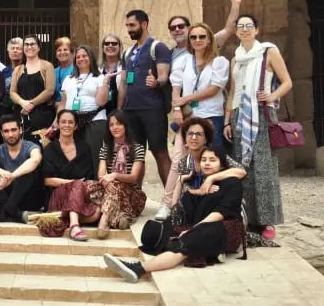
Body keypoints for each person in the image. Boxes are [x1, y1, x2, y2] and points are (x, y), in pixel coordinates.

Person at [103, 149, 244, 283]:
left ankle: (139, 269)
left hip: (224, 228)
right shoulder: (201, 183)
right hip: (204, 226)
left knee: (186, 242)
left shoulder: (233, 183)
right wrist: (186, 183)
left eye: (212, 160)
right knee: (156, 233)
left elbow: (220, 213)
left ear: (222, 165)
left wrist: (193, 229)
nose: (207, 163)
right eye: (204, 160)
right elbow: (176, 208)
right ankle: (206, 249)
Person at [225, 14, 292, 240]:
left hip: (261, 113)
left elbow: (287, 82)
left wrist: (271, 96)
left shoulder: (268, 52)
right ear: (236, 31)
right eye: (240, 26)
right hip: (239, 115)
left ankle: (267, 220)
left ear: (256, 30)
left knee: (264, 167)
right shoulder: (236, 59)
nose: (244, 29)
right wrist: (227, 120)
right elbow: (232, 92)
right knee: (243, 167)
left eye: (249, 26)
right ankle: (248, 218)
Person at [156, 118, 246, 222]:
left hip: (220, 209)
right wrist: (181, 180)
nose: (194, 137)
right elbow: (178, 203)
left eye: (199, 134)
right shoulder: (185, 162)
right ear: (185, 139)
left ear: (206, 139)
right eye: (190, 134)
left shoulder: (214, 155)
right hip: (197, 210)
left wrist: (211, 178)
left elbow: (241, 171)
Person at [118, 10, 172, 184]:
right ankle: (136, 197)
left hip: (153, 110)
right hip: (130, 111)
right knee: (136, 156)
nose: (129, 29)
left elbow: (164, 76)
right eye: (127, 26)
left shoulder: (158, 47)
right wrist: (119, 110)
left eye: (132, 25)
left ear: (144, 24)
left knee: (160, 152)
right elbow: (124, 83)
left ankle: (173, 197)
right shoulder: (127, 52)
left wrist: (156, 82)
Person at [41, 110, 99, 241]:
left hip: (81, 195)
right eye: (63, 122)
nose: (67, 125)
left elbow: (89, 178)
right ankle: (74, 226)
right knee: (77, 184)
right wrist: (71, 183)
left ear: (75, 126)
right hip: (58, 196)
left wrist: (77, 185)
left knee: (96, 214)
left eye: (70, 122)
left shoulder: (84, 147)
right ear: (58, 124)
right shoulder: (49, 149)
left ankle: (65, 217)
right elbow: (46, 181)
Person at [170, 23, 229, 149]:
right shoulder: (183, 60)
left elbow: (214, 89)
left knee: (212, 154)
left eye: (202, 37)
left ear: (209, 40)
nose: (197, 40)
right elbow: (176, 87)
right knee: (186, 155)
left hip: (211, 115)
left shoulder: (219, 61)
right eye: (193, 37)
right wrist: (177, 109)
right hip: (189, 116)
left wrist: (185, 99)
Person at [89, 110, 147, 238]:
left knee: (117, 186)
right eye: (111, 125)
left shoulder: (138, 148)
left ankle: (104, 221)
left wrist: (115, 175)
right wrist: (105, 181)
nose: (115, 127)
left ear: (126, 125)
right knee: (88, 185)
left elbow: (133, 178)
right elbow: (101, 173)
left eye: (119, 123)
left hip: (131, 193)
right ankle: (119, 218)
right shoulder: (106, 147)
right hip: (110, 187)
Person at [0, 115, 43, 223]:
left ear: (20, 130)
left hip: (28, 196)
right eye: (6, 131)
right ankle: (14, 213)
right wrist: (0, 171)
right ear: (2, 133)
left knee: (28, 173)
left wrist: (12, 176)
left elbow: (35, 160)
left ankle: (4, 213)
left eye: (13, 130)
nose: (10, 134)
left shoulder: (30, 146)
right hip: (7, 197)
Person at [58, 45, 111, 166]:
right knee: (75, 157)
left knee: (94, 157)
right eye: (78, 57)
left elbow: (101, 102)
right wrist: (56, 122)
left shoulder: (99, 77)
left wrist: (105, 82)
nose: (81, 59)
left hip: (94, 121)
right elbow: (62, 103)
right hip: (72, 123)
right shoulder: (68, 79)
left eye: (84, 56)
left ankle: (96, 179)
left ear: (91, 57)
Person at [168, 0, 244, 65]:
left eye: (181, 26)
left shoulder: (204, 43)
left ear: (189, 29)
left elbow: (228, 29)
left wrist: (235, 4)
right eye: (173, 28)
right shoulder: (168, 54)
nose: (177, 29)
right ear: (170, 32)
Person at [10, 34, 56, 142]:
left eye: (32, 44)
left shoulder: (47, 66)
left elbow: (50, 91)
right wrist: (22, 102)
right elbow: (12, 92)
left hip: (42, 116)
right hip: (22, 116)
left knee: (43, 147)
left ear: (39, 47)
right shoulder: (18, 69)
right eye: (26, 44)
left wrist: (31, 104)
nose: (29, 47)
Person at [100, 34, 124, 114]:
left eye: (114, 43)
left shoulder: (125, 66)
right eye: (107, 43)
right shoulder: (97, 68)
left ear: (119, 47)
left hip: (120, 112)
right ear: (103, 47)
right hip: (100, 112)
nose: (110, 45)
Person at [1, 37, 23, 114]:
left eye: (18, 48)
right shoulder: (4, 71)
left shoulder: (28, 69)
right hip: (7, 110)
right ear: (8, 52)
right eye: (12, 48)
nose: (15, 51)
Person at [53, 36, 74, 104]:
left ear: (71, 52)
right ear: (56, 54)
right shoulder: (53, 72)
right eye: (59, 50)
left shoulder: (77, 69)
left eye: (65, 49)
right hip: (56, 107)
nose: (62, 52)